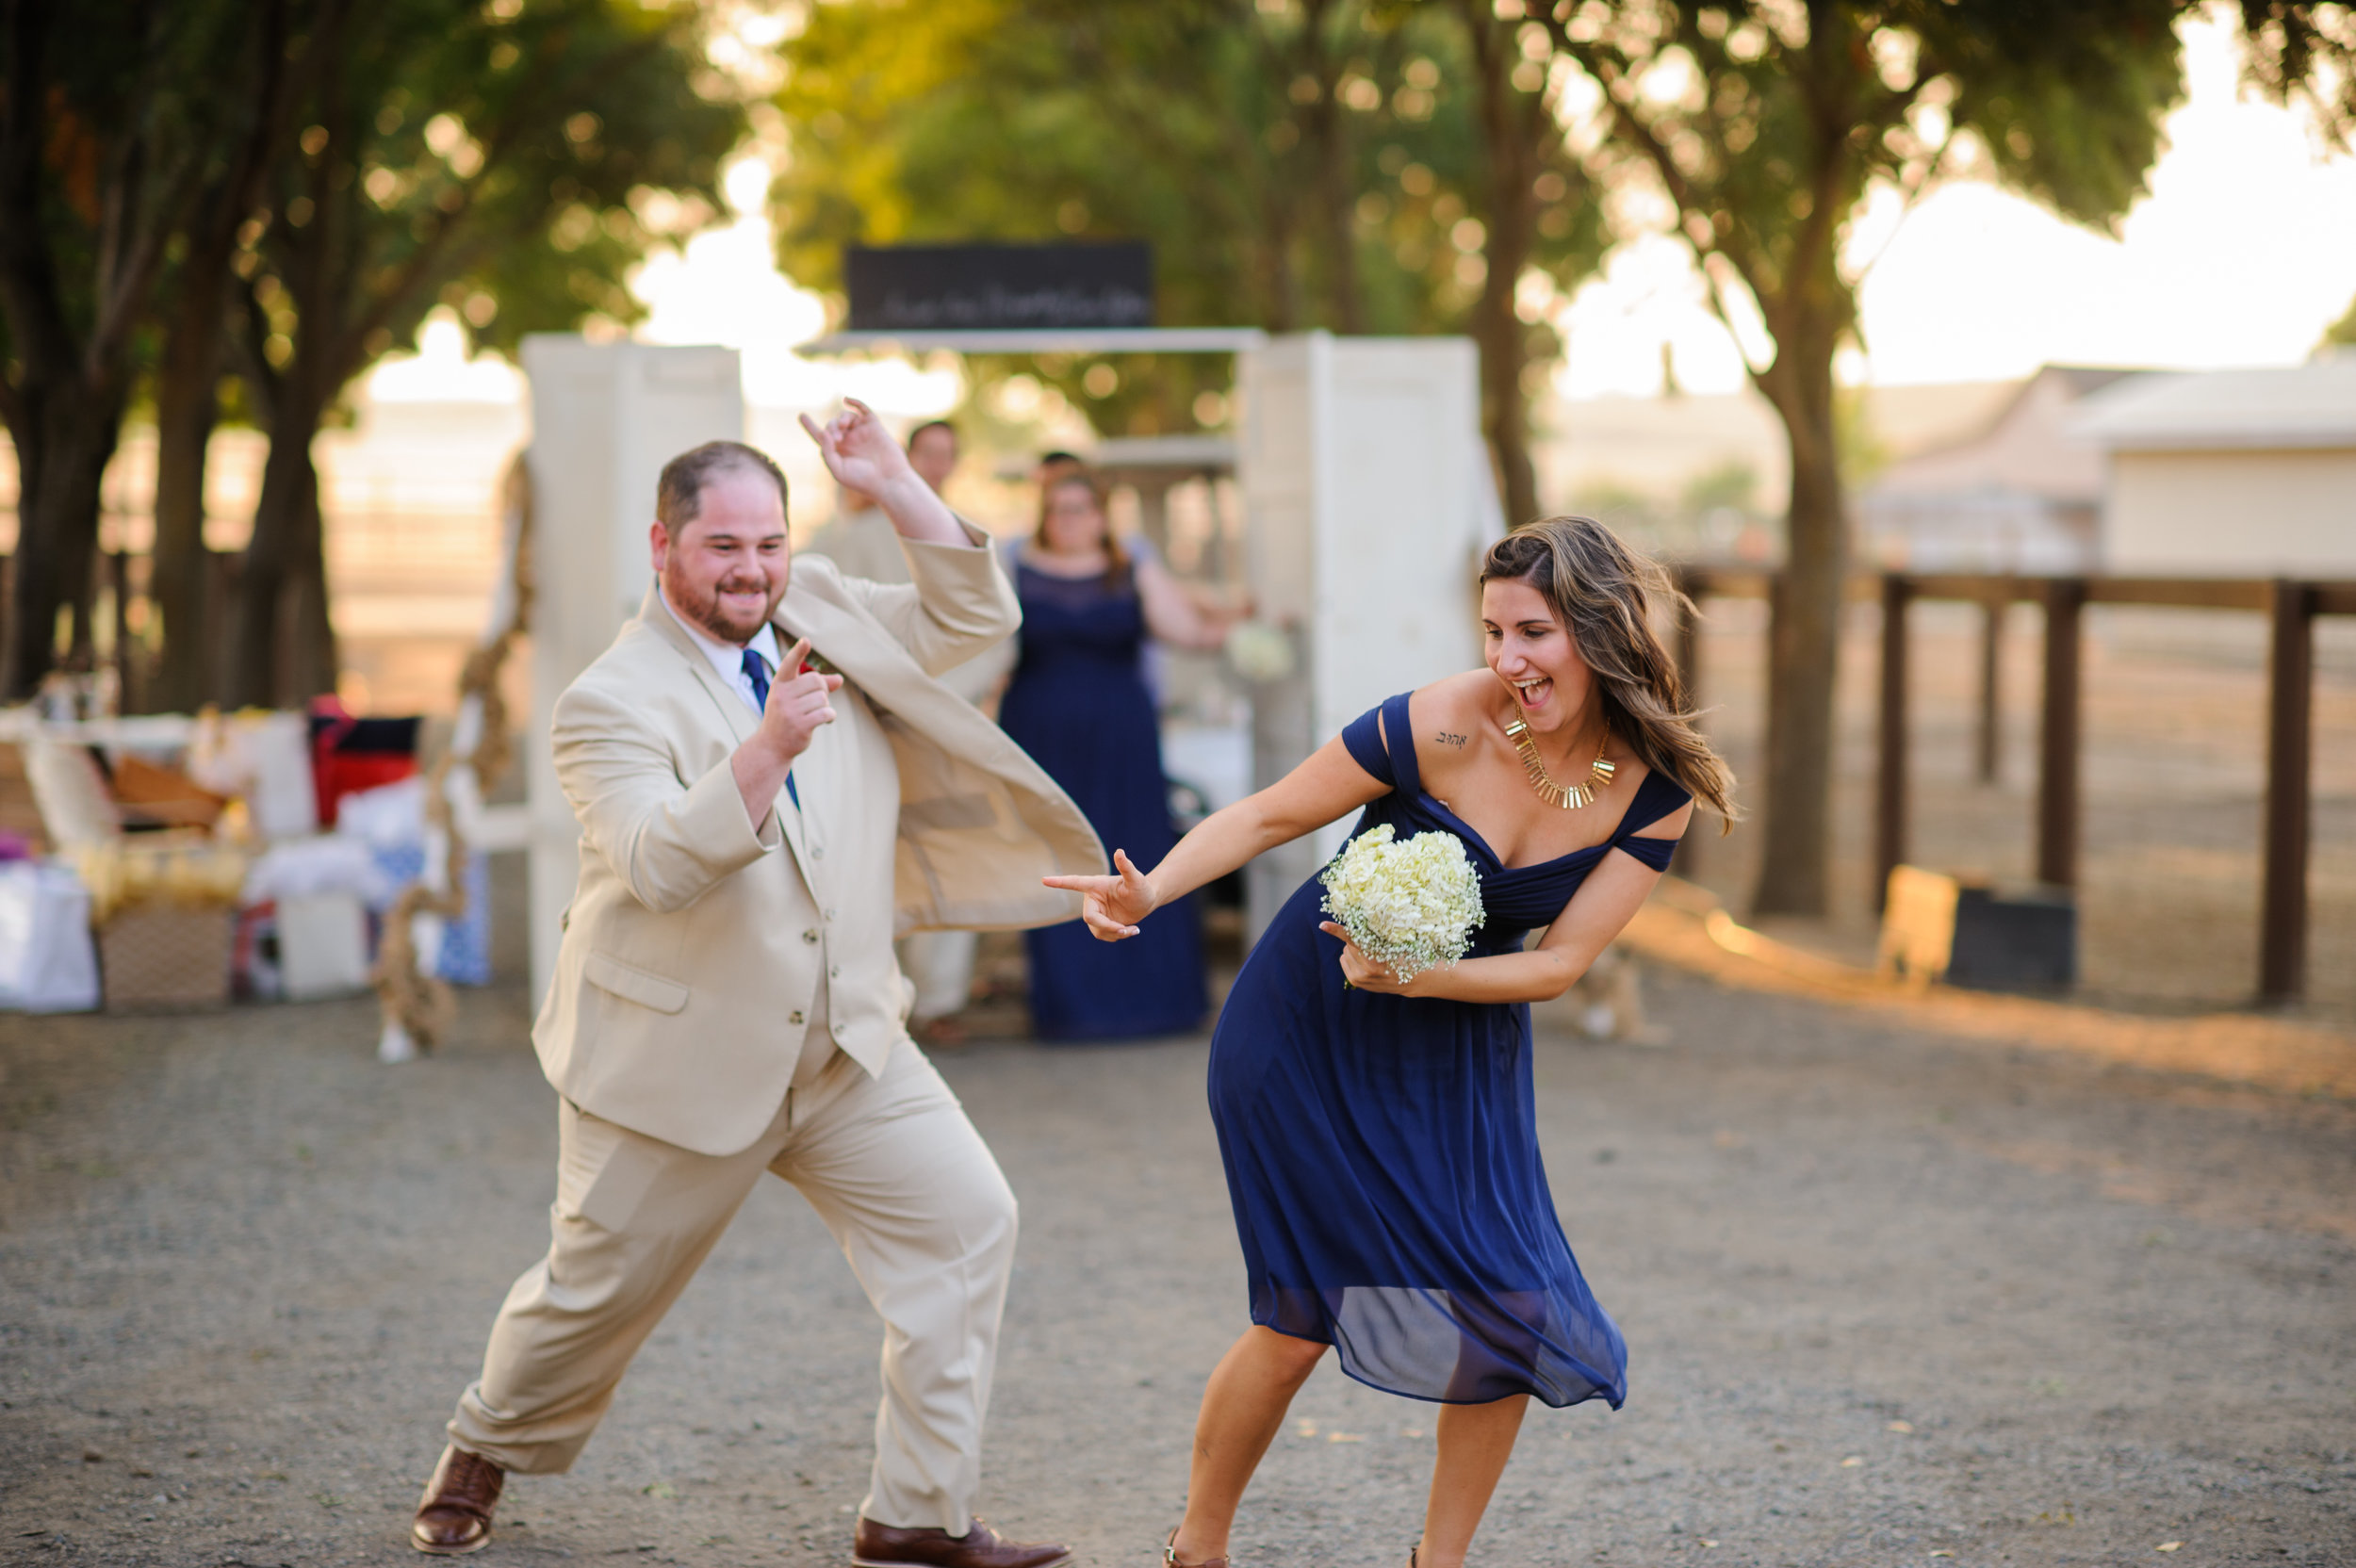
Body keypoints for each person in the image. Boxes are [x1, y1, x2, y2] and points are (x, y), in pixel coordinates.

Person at [407, 409, 1102, 1568]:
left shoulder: (820, 603)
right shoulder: (606, 700)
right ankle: (483, 1444)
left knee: (967, 1223)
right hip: (677, 1062)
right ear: (663, 545)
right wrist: (766, 748)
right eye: (723, 545)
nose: (751, 569)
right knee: (588, 1294)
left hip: (845, 1044)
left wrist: (892, 484)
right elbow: (655, 861)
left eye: (767, 542)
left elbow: (975, 614)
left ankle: (914, 1514)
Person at [1044, 516, 1739, 1568]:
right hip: (1305, 1026)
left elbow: (1557, 966)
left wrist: (1424, 977)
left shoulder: (1652, 790)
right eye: (1492, 630)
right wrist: (1153, 886)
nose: (1506, 660)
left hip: (1455, 1041)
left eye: (1534, 633)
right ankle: (1200, 1545)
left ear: (1599, 631)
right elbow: (1272, 814)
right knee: (1300, 1316)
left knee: (1510, 1303)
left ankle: (1436, 1561)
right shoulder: (1446, 720)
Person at [997, 468, 1241, 1041]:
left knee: (1137, 848)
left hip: (1120, 736)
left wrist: (1242, 630)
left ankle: (1158, 1002)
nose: (1070, 520)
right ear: (1044, 514)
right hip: (1042, 733)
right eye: (1058, 509)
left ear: (1102, 515)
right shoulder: (1014, 568)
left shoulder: (1130, 566)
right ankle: (1070, 1007)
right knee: (1061, 854)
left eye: (1081, 508)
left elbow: (1183, 628)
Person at [801, 416, 1013, 1044]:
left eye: (949, 454)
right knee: (869, 851)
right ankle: (871, 996)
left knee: (952, 848)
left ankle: (941, 999)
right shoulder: (846, 535)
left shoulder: (969, 536)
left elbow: (993, 631)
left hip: (951, 716)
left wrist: (967, 698)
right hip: (873, 713)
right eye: (928, 453)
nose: (938, 464)